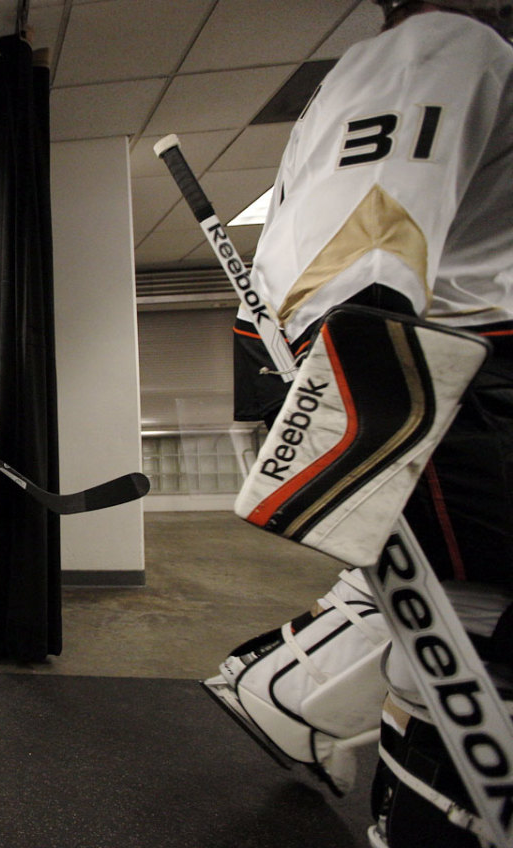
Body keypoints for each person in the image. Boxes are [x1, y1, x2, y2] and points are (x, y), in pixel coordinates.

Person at [202, 3, 513, 846]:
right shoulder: (441, 47)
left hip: (469, 371)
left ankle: (299, 691)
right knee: (478, 650)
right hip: (456, 380)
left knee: (466, 639)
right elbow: (357, 246)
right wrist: (352, 425)